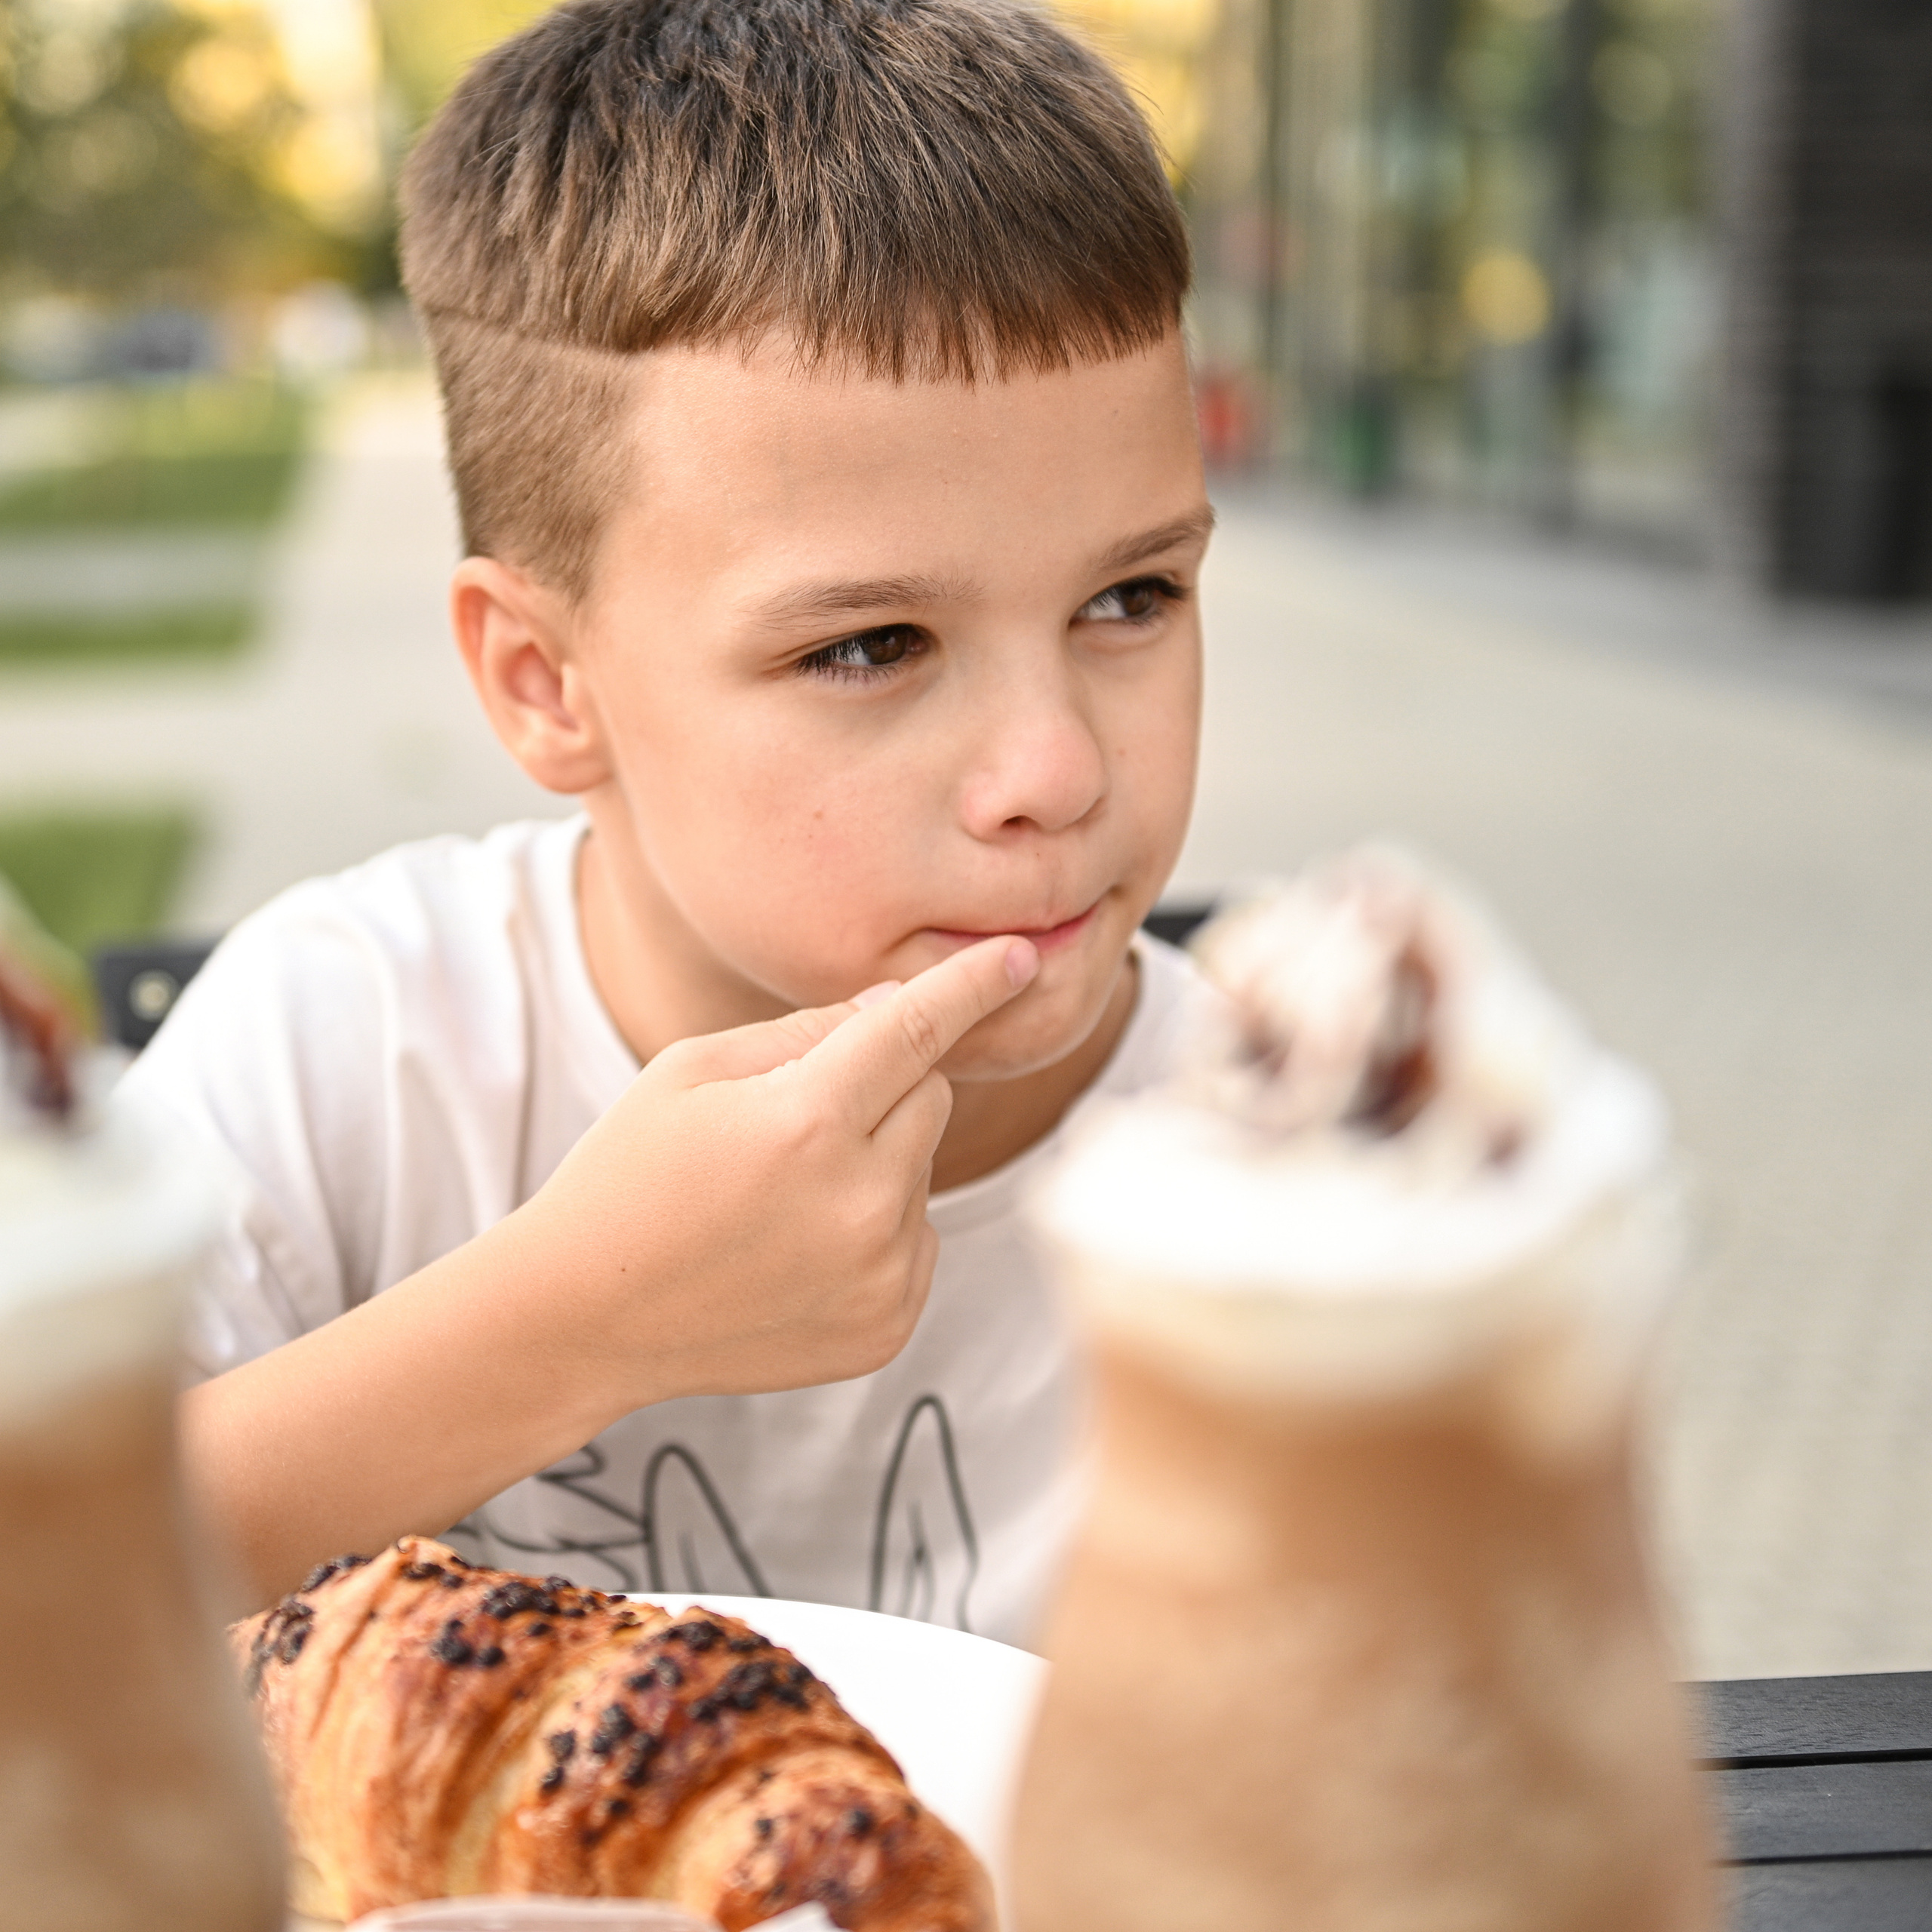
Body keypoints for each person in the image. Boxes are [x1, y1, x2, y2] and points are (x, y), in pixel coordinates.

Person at [129, 0, 1214, 1649]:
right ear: (545, 682)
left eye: (1131, 597)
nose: (1054, 769)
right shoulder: (353, 1046)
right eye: (869, 646)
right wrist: (574, 1321)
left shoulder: (1290, 1159)